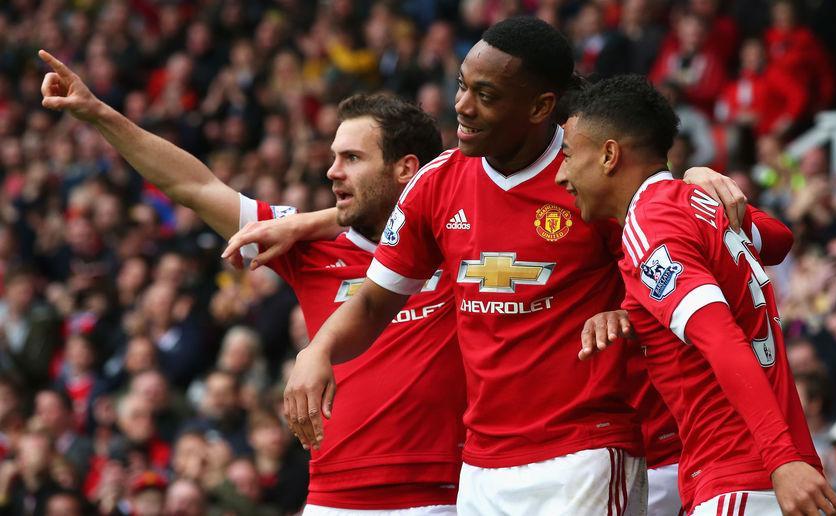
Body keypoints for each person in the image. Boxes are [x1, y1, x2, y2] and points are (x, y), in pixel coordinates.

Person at [253, 17, 746, 515]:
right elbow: (375, 302)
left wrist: (631, 303)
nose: (462, 106)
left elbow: (672, 250)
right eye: (464, 85)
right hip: (481, 466)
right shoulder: (436, 183)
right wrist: (319, 350)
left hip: (585, 451)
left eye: (486, 95)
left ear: (540, 107)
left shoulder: (591, 178)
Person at [38, 50, 465, 514]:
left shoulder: (460, 239)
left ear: (405, 168)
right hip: (332, 499)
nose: (332, 171)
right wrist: (98, 113)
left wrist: (311, 220)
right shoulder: (300, 246)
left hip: (443, 496)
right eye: (333, 157)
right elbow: (195, 187)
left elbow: (470, 168)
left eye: (352, 158)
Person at [554, 75, 836, 515]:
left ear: (609, 155)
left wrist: (779, 457)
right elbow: (779, 239)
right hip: (776, 472)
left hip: (743, 474)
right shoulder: (692, 203)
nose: (561, 175)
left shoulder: (648, 225)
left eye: (569, 156)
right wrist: (632, 312)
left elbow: (721, 339)